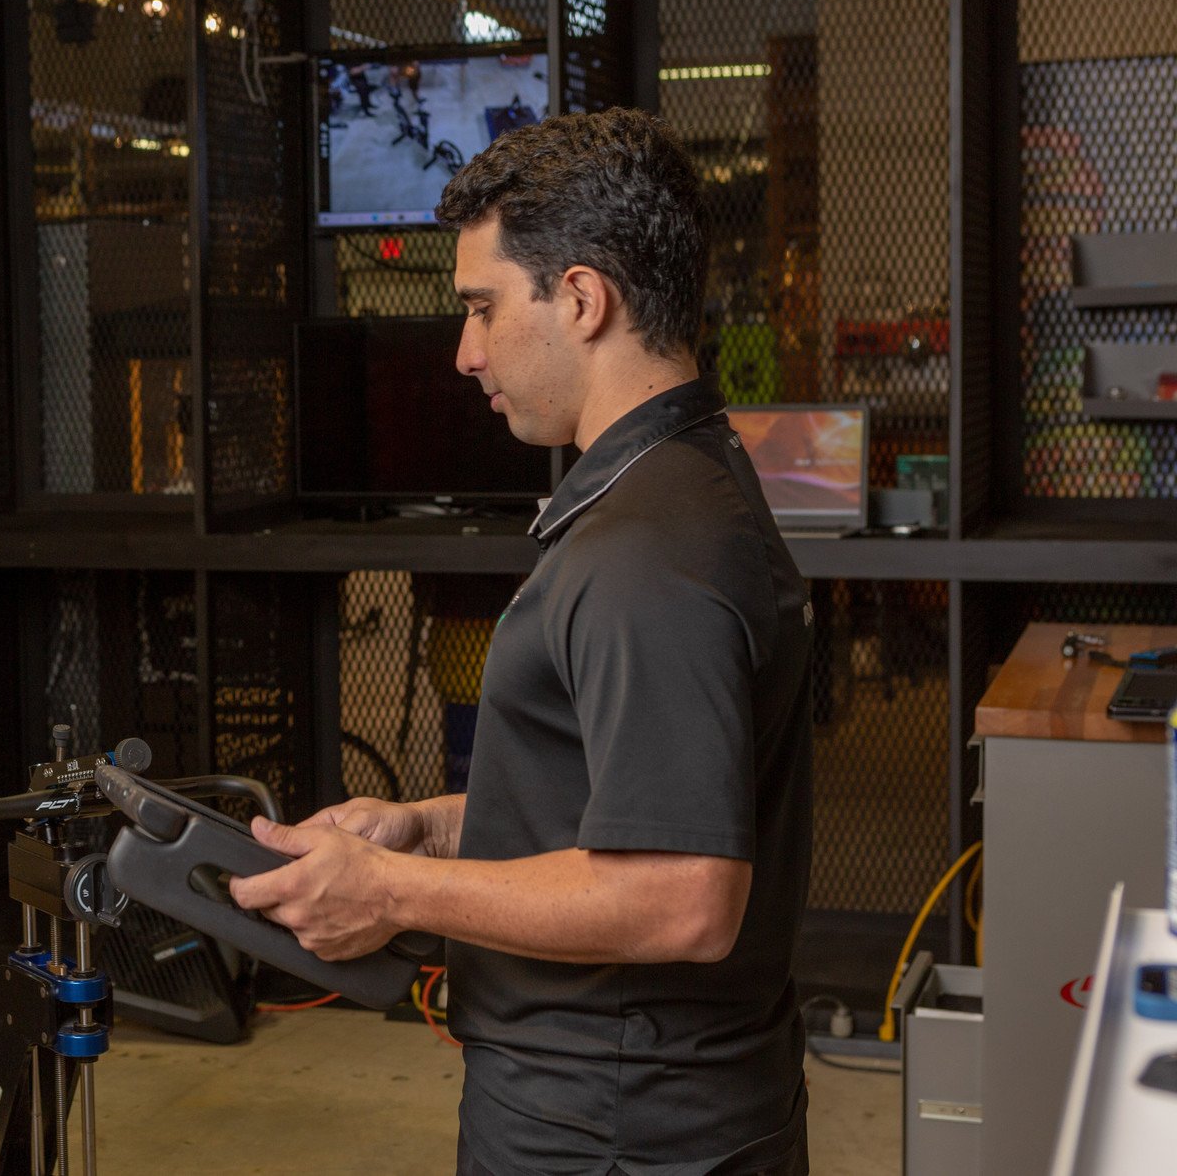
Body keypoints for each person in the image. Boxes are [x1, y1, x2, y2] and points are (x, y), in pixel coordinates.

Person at [230, 109, 814, 1176]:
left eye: (482, 308)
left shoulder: (649, 553)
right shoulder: (673, 484)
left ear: (582, 299)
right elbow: (616, 799)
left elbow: (680, 893)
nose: (463, 352)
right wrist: (425, 829)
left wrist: (389, 893)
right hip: (631, 1104)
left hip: (613, 1127)